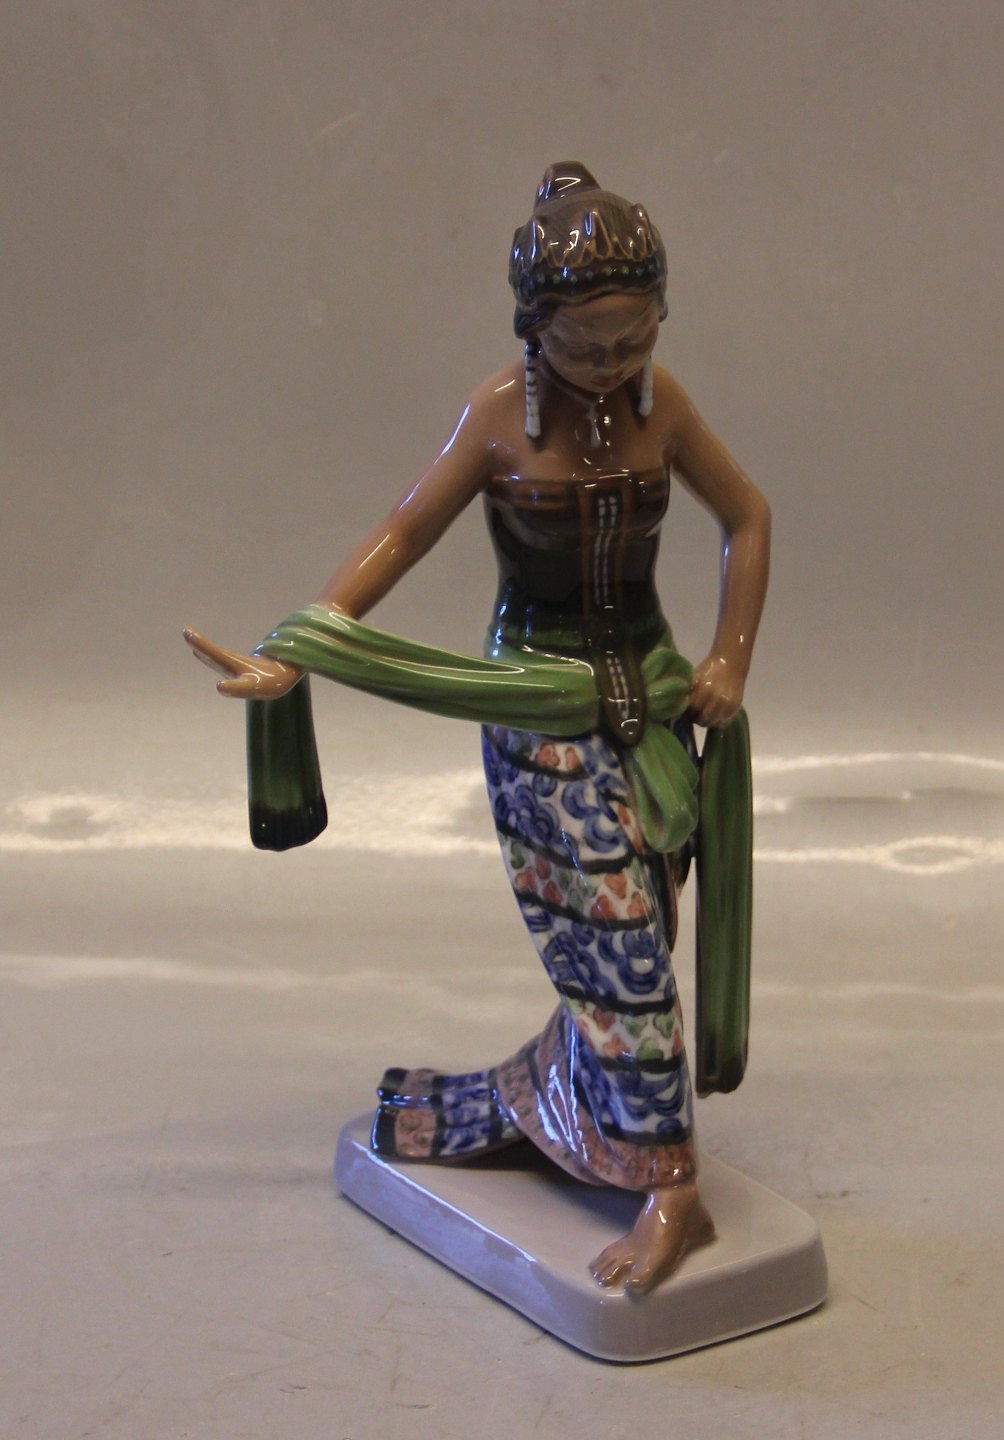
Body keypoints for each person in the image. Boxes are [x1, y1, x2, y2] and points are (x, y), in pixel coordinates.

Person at [185, 162, 771, 1294]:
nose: (612, 364)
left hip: (651, 715)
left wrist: (728, 658)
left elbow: (748, 516)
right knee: (617, 952)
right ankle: (670, 1185)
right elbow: (405, 531)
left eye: (636, 337)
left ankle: (549, 1109)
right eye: (586, 344)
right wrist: (304, 644)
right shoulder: (498, 415)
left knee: (630, 946)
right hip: (535, 715)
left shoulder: (665, 406)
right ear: (532, 325)